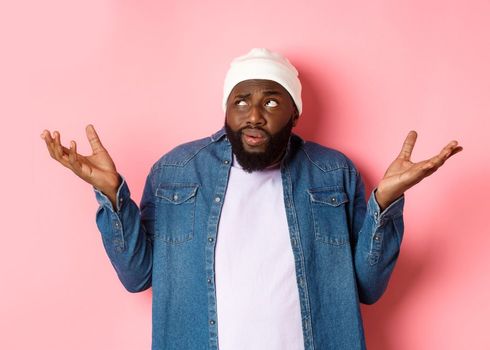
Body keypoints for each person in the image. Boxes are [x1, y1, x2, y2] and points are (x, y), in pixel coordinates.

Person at [39, 48, 463, 349]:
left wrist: (385, 203)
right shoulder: (176, 171)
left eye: (271, 100)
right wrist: (112, 195)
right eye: (241, 101)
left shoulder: (333, 173)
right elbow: (137, 277)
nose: (254, 114)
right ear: (226, 110)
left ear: (294, 112)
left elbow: (368, 289)